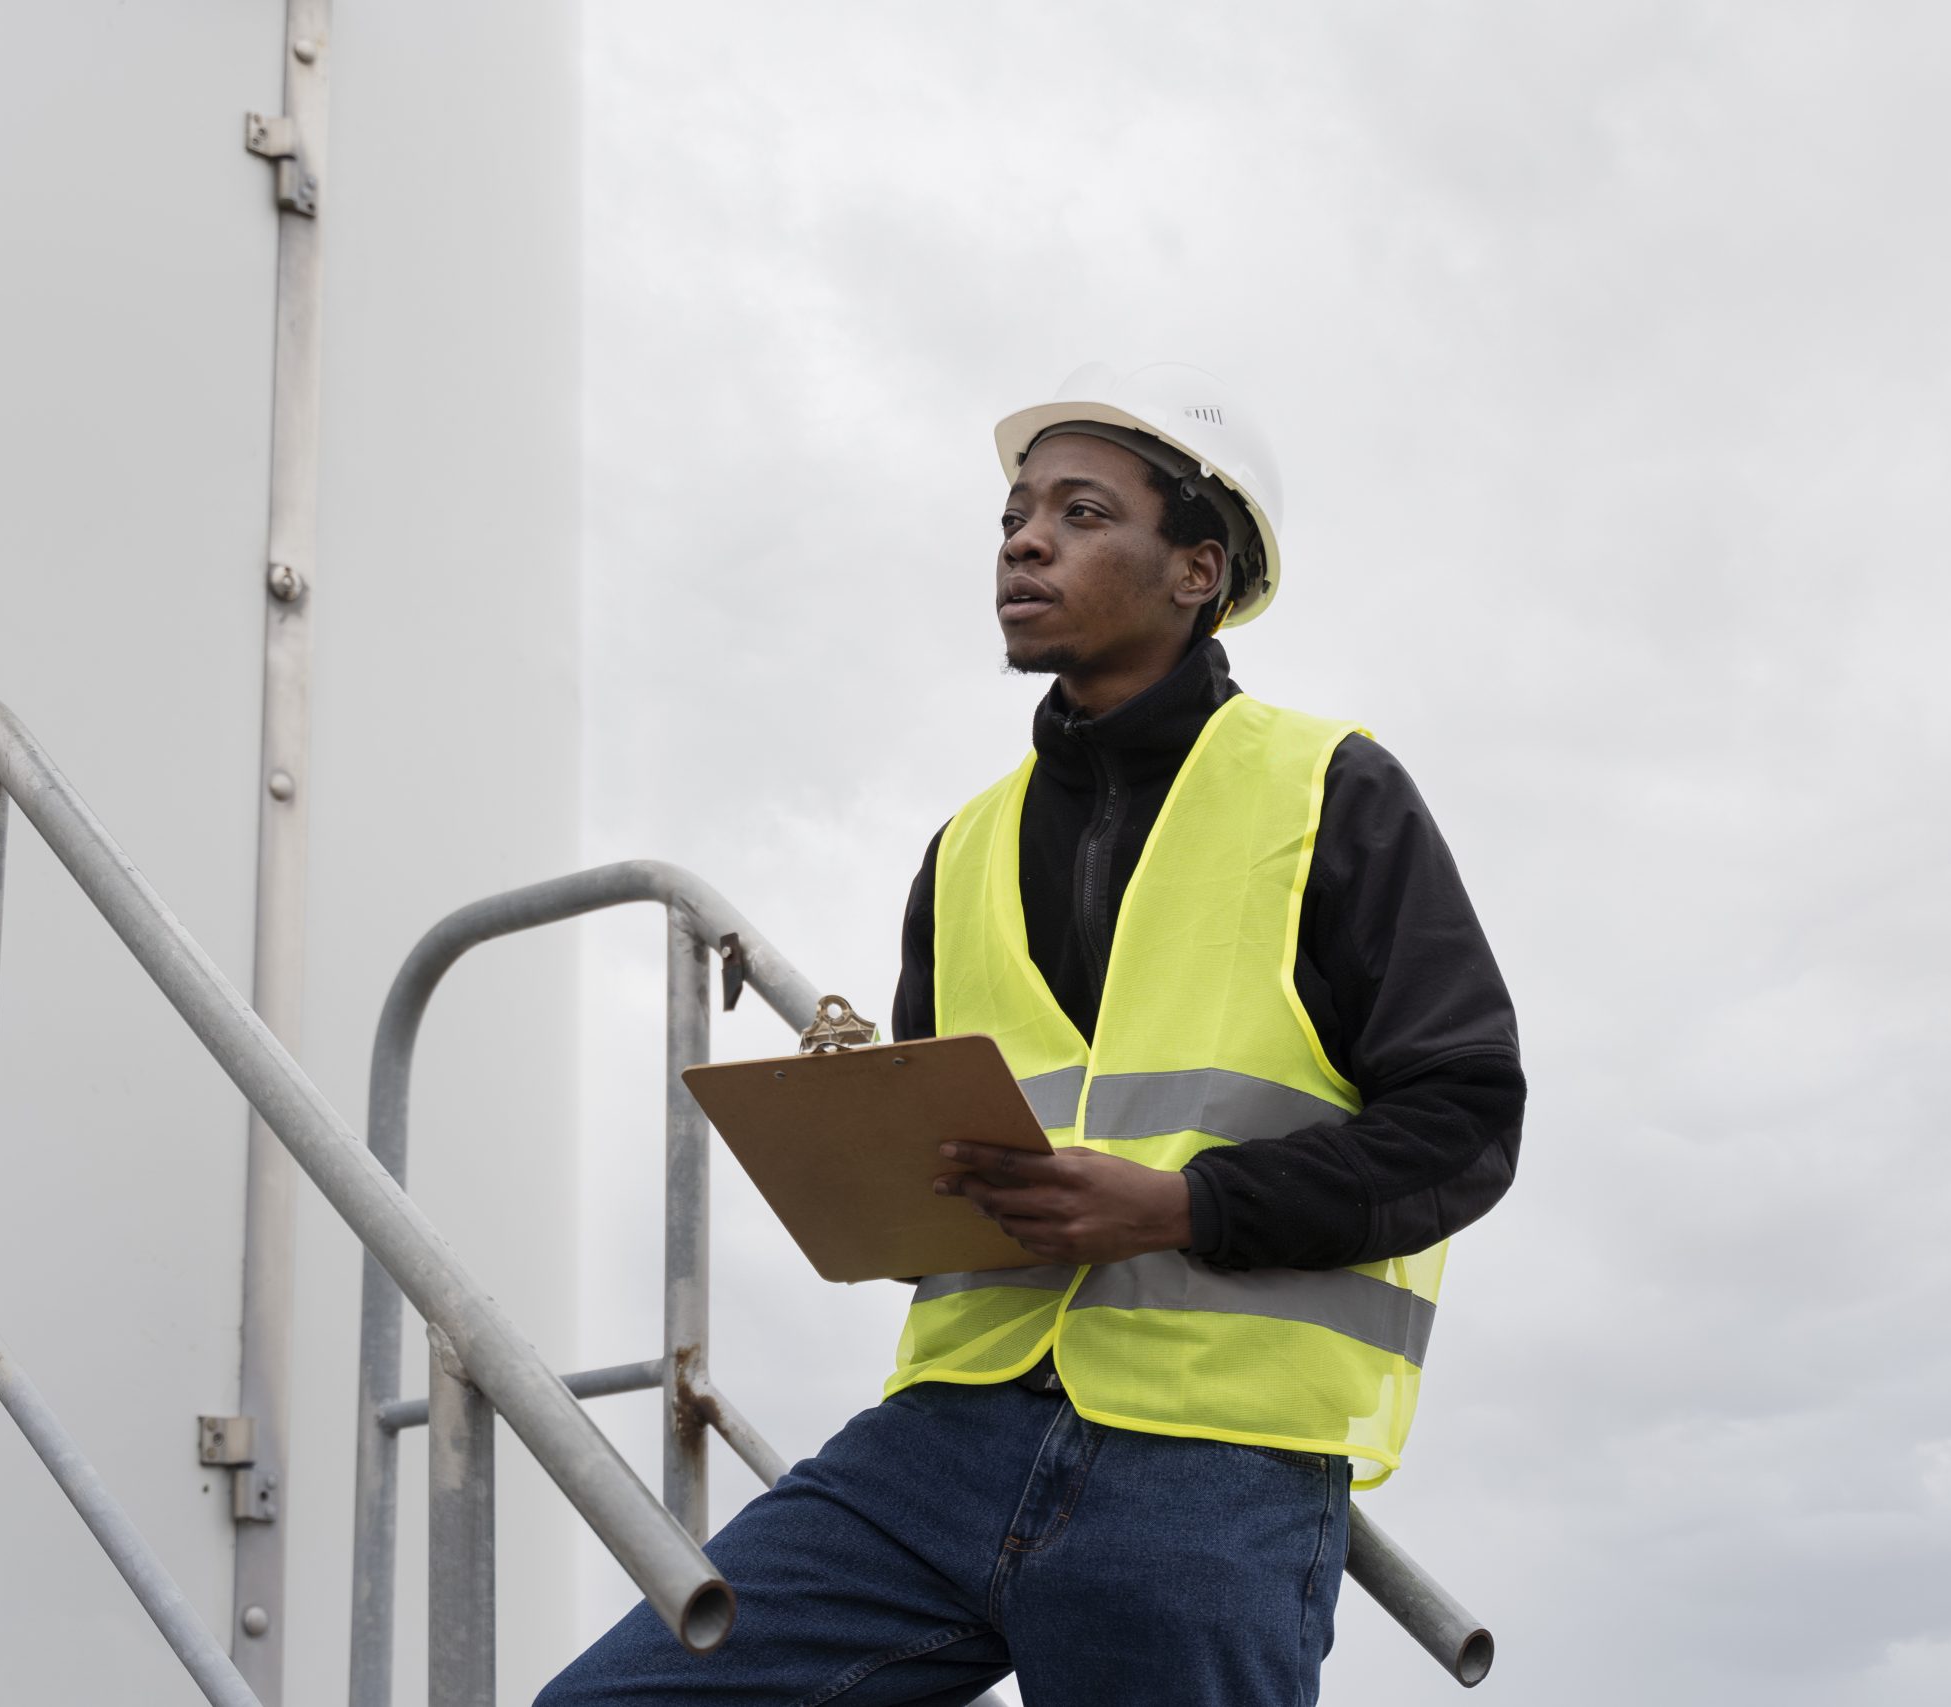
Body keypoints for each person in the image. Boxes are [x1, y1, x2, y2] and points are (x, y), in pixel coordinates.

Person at [539, 362, 1524, 1707]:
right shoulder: (966, 848)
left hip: (1208, 1460)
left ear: (1197, 570)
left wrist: (1183, 1205)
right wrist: (877, 1186)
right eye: (1014, 515)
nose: (1024, 542)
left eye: (1080, 513)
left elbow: (1464, 1123)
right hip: (942, 1439)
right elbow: (954, 1153)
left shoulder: (1329, 792)